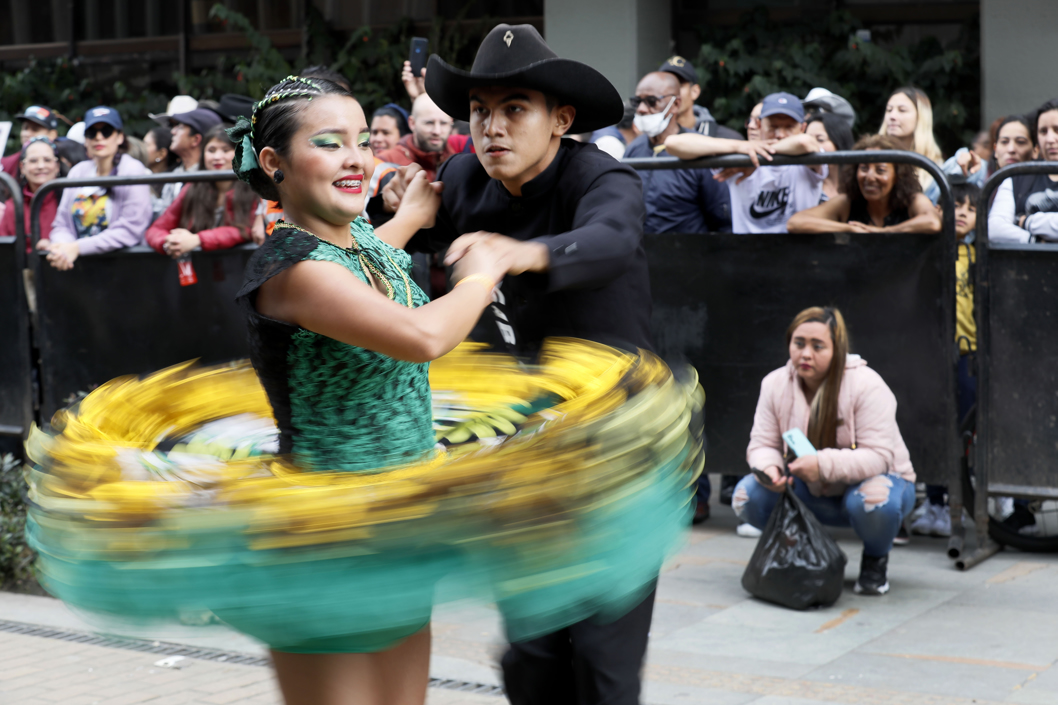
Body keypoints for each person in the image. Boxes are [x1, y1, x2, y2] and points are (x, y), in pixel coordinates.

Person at [383, 23, 661, 705]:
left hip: (615, 444)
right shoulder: (460, 178)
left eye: (514, 109)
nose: (492, 128)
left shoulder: (601, 176)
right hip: (521, 446)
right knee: (531, 653)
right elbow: (409, 257)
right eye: (479, 111)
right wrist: (400, 208)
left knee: (601, 661)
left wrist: (519, 253)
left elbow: (612, 241)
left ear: (560, 119)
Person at [734, 306, 916, 595]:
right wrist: (770, 470)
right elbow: (762, 444)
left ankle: (875, 559)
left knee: (876, 502)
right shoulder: (774, 383)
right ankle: (808, 548)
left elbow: (879, 457)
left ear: (837, 349)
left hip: (875, 484)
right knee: (746, 496)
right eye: (799, 344)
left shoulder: (867, 385)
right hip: (810, 488)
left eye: (818, 346)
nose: (806, 354)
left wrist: (821, 464)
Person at [910, 179, 979, 537]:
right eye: (955, 206)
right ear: (938, 211)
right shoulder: (930, 254)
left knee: (966, 431)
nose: (962, 213)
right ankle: (934, 502)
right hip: (931, 357)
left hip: (969, 357)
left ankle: (967, 500)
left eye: (971, 208)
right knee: (932, 427)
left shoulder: (982, 255)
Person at [664, 92, 827, 234]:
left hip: (801, 253)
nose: (780, 134)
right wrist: (740, 146)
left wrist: (760, 155)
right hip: (748, 253)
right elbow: (673, 144)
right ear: (758, 125)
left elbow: (805, 143)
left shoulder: (809, 158)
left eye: (789, 127)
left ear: (803, 127)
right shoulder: (742, 156)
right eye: (773, 126)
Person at [623, 71, 731, 234]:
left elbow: (722, 220)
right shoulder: (634, 149)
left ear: (675, 104)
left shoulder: (699, 149)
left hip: (688, 254)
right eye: (637, 101)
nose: (642, 109)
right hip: (639, 254)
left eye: (652, 101)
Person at [45, 106, 152, 271]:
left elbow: (131, 229)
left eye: (107, 131)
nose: (99, 138)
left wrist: (78, 248)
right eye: (91, 133)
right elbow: (62, 224)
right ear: (85, 140)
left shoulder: (132, 170)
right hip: (78, 268)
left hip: (124, 269)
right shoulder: (78, 171)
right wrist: (62, 248)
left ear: (120, 137)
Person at [146, 124, 261, 257]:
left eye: (226, 150)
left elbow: (246, 229)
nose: (217, 157)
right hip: (201, 270)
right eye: (211, 150)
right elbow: (156, 229)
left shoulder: (255, 188)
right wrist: (170, 242)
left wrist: (198, 239)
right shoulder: (192, 187)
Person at [786, 134, 941, 234]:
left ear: (897, 176)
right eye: (864, 168)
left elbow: (933, 222)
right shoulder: (847, 202)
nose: (870, 177)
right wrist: (848, 229)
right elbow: (795, 223)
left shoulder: (913, 200)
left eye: (880, 170)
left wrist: (886, 231)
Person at [988, 98, 1058, 244]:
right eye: (1043, 131)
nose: (1050, 139)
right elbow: (995, 228)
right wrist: (1034, 241)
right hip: (1029, 264)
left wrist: (1027, 222)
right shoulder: (1017, 176)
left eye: (1057, 130)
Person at [658, 55, 744, 140]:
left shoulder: (727, 139)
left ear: (695, 92)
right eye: (665, 86)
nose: (671, 93)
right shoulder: (649, 137)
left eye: (678, 85)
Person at [878, 87, 944, 195]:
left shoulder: (937, 168)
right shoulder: (870, 157)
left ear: (921, 117)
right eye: (889, 110)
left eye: (902, 110)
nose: (892, 116)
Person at [0, 137, 62, 252]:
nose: (41, 166)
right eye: (33, 161)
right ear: (22, 167)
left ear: (57, 166)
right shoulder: (13, 206)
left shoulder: (67, 200)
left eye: (47, 160)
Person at [158, 108, 224, 215]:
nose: (173, 132)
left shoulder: (211, 180)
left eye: (180, 127)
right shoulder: (175, 174)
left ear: (195, 140)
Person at [375, 94, 456, 180]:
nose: (437, 131)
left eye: (443, 123)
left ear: (451, 123)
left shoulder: (455, 161)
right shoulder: (386, 161)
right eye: (429, 123)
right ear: (412, 123)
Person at [805, 112, 854, 201]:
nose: (811, 147)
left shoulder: (857, 184)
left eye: (820, 139)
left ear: (839, 143)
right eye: (807, 140)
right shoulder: (800, 181)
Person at [1, 105, 61, 176]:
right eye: (25, 128)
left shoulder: (65, 162)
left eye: (35, 129)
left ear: (52, 134)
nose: (27, 134)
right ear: (22, 166)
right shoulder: (5, 164)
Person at [143, 124, 181, 221]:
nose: (141, 149)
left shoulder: (174, 185)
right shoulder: (144, 175)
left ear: (161, 154)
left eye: (146, 145)